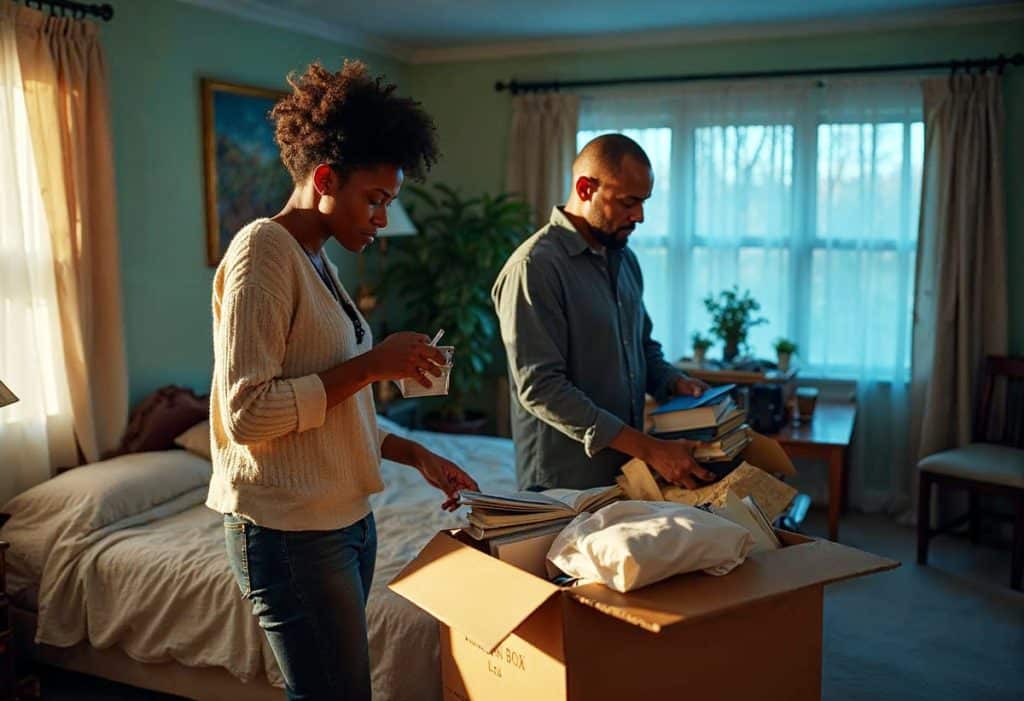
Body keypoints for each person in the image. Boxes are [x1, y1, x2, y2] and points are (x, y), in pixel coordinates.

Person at [207, 61, 478, 701]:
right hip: (289, 531)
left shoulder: (316, 260)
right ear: (326, 179)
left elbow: (328, 403)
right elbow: (248, 414)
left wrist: (415, 453)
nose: (383, 218)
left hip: (343, 520)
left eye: (390, 202)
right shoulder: (262, 253)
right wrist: (374, 363)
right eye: (375, 199)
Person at [492, 133, 717, 492]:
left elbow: (641, 348)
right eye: (629, 203)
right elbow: (541, 388)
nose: (640, 216)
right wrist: (651, 449)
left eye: (643, 203)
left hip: (624, 473)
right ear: (585, 189)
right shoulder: (534, 268)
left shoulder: (624, 260)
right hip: (563, 486)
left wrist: (673, 381)